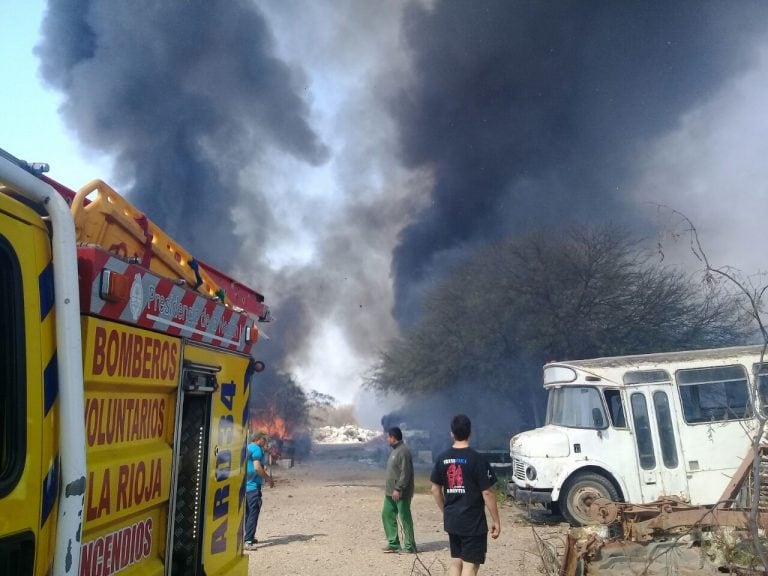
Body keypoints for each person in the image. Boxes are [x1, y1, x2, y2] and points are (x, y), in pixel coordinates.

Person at [430, 414, 501, 576]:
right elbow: (487, 492)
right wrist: (496, 520)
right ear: (470, 433)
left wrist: (446, 510)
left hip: (453, 520)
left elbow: (435, 489)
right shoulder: (478, 459)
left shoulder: (442, 458)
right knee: (471, 565)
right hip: (473, 522)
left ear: (452, 434)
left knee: (456, 561)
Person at [381, 426, 417, 554]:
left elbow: (405, 473)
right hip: (390, 492)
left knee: (405, 517)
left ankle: (410, 545)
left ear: (393, 437)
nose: (387, 439)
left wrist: (398, 488)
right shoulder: (395, 451)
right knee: (386, 514)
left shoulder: (403, 452)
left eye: (388, 437)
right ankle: (393, 543)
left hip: (400, 492)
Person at [244, 430, 275, 550]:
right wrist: (268, 479)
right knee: (253, 513)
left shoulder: (247, 447)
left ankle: (248, 536)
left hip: (245, 487)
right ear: (259, 438)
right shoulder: (257, 449)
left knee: (248, 513)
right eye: (264, 439)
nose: (265, 442)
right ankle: (248, 541)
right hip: (253, 487)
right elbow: (257, 467)